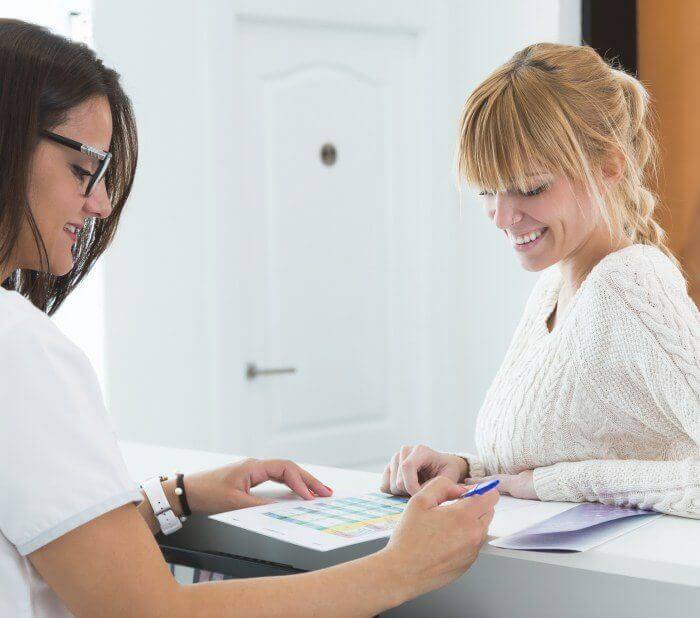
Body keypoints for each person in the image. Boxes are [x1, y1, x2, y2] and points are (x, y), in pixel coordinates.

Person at [0, 19, 499, 617]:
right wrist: (401, 569)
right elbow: (150, 613)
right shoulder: (19, 349)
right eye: (84, 172)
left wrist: (180, 496)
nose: (101, 204)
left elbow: (50, 535)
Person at [382, 43, 700, 518]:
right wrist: (466, 467)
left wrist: (552, 484)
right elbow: (545, 458)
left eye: (530, 188)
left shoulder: (631, 286)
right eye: (488, 190)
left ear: (608, 166)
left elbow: (546, 478)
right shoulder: (554, 290)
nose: (501, 216)